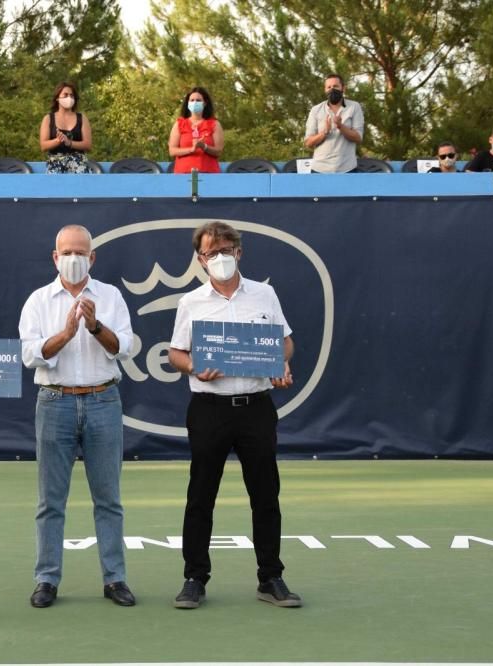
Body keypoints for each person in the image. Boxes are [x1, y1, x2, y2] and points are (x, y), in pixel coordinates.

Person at [167, 221, 301, 610]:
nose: (220, 258)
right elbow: (176, 353)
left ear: (239, 252)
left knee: (265, 495)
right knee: (200, 497)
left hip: (256, 407)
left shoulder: (265, 294)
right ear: (200, 259)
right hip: (209, 408)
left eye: (227, 250)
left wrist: (281, 363)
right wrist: (193, 366)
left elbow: (286, 343)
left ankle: (271, 577)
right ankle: (194, 578)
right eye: (212, 253)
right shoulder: (190, 302)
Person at [18, 225, 137, 609]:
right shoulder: (38, 300)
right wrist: (67, 333)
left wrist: (95, 326)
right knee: (50, 500)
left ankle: (115, 579)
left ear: (92, 257)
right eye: (66, 252)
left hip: (103, 400)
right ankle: (46, 580)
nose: (73, 258)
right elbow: (31, 354)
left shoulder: (111, 296)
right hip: (55, 401)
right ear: (55, 257)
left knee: (109, 499)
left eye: (80, 252)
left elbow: (125, 347)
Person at [303, 74, 364, 173]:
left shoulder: (354, 107)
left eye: (335, 86)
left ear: (343, 88)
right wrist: (324, 133)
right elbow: (308, 143)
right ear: (325, 90)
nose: (332, 89)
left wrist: (340, 126)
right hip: (320, 169)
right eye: (329, 87)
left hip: (347, 168)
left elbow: (358, 138)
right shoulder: (316, 110)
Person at [39, 81, 93, 174]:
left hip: (79, 165)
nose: (69, 98)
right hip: (55, 165)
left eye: (72, 95)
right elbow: (43, 146)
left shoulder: (82, 118)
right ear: (57, 98)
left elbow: (88, 145)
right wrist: (58, 141)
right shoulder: (48, 119)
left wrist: (70, 143)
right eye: (65, 95)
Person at [169, 87, 223, 174]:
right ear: (188, 103)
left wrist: (203, 146)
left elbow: (218, 151)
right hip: (183, 174)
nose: (194, 103)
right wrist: (191, 149)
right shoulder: (179, 124)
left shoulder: (215, 124)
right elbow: (172, 151)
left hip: (209, 174)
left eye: (198, 100)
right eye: (192, 100)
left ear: (205, 103)